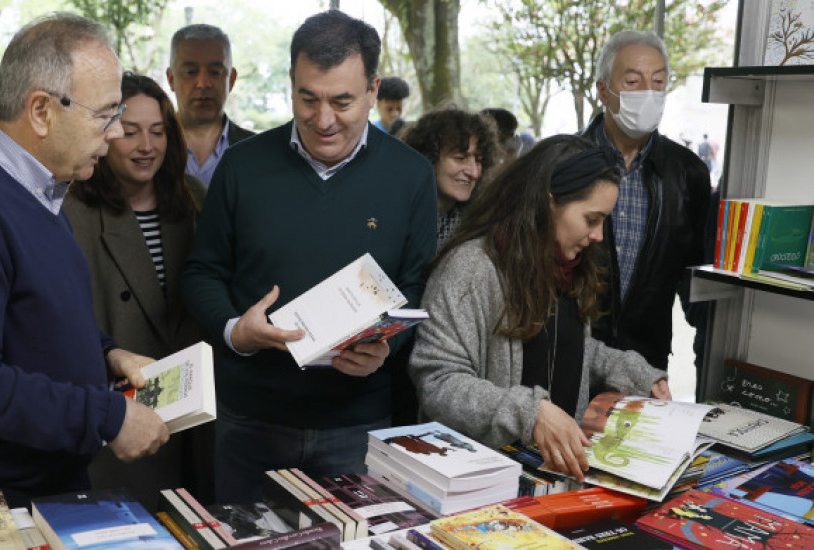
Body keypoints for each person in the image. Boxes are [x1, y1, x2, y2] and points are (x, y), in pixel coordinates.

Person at [181, 9, 437, 503]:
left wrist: (387, 348)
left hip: (358, 423)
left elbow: (416, 285)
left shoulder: (411, 176)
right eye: (308, 99)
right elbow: (201, 272)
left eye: (342, 101)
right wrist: (236, 330)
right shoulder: (243, 166)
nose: (323, 120)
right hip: (251, 420)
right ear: (292, 86)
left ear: (372, 89)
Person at [0, 13, 169, 509]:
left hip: (49, 486)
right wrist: (106, 416)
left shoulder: (37, 190)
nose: (116, 133)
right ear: (40, 111)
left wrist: (106, 355)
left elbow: (29, 319)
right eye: (106, 114)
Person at [409, 135, 669, 482]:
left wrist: (631, 371)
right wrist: (530, 414)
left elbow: (563, 348)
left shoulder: (568, 264)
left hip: (548, 480)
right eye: (591, 219)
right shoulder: (471, 269)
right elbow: (439, 383)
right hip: (480, 483)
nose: (598, 236)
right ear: (548, 203)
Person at [63, 73, 208, 508]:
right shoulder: (72, 209)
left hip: (192, 407)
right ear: (107, 132)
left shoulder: (194, 197)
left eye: (159, 131)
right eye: (130, 132)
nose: (147, 145)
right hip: (119, 408)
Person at [582, 30, 710, 372]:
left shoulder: (687, 173)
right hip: (571, 354)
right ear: (603, 92)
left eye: (658, 81)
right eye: (634, 81)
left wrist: (710, 343)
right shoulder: (565, 161)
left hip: (646, 362)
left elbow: (693, 273)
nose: (649, 93)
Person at [167, 24, 254, 187]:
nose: (203, 83)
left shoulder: (258, 152)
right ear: (171, 79)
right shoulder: (148, 147)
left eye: (215, 72)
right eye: (191, 72)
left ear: (232, 79)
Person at [403, 107, 501, 250]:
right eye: (460, 158)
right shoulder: (394, 216)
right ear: (429, 158)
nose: (473, 172)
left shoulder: (479, 223)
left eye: (479, 160)